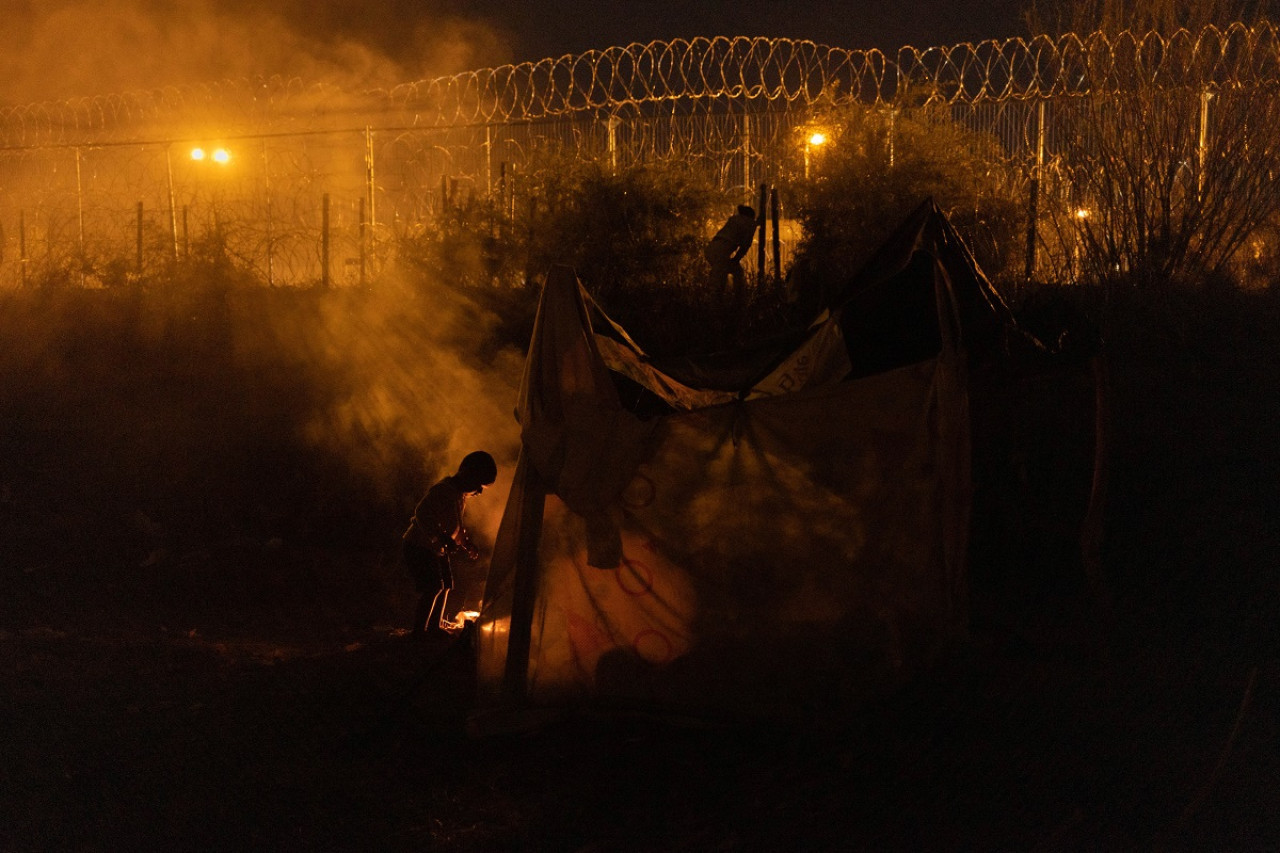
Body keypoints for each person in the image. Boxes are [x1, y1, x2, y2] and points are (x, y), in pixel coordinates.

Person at [402, 450, 497, 640]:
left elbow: (454, 526)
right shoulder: (443, 490)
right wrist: (438, 537)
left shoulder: (458, 496)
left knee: (446, 585)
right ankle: (420, 631)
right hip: (419, 545)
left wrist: (465, 544)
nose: (478, 491)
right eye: (479, 485)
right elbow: (421, 513)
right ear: (467, 474)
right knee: (433, 587)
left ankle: (434, 627)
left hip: (436, 548)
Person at [704, 204, 758, 292]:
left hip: (712, 247)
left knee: (731, 272)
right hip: (721, 251)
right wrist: (736, 260)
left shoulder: (735, 219)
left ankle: (726, 296)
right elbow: (745, 246)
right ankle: (733, 299)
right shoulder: (749, 223)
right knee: (721, 278)